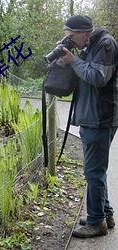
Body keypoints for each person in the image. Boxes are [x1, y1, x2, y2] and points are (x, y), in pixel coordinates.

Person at [60, 15, 118, 238]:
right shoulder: (89, 46)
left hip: (100, 118)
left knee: (93, 171)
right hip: (90, 117)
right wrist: (70, 60)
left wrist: (73, 61)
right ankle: (105, 214)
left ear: (84, 32)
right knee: (95, 171)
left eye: (72, 37)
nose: (71, 41)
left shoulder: (106, 44)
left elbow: (97, 77)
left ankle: (96, 223)